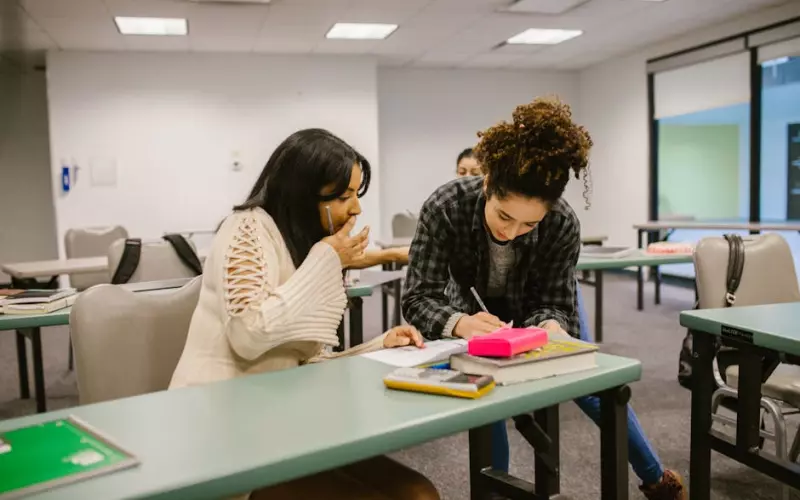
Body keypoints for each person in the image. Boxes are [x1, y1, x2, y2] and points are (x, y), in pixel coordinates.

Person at [401, 98, 686, 500]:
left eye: (529, 223)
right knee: (487, 391)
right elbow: (418, 298)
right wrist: (461, 323)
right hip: (470, 308)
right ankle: (494, 489)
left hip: (535, 305)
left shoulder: (563, 222)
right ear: (486, 185)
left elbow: (553, 301)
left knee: (589, 385)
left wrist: (551, 328)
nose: (512, 232)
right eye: (503, 216)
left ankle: (656, 479)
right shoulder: (446, 207)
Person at [170, 128, 440, 500]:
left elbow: (304, 360)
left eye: (356, 195)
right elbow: (250, 335)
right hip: (225, 438)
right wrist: (329, 256)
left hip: (282, 427)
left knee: (419, 494)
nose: (356, 209)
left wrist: (377, 345)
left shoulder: (301, 243)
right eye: (344, 196)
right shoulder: (247, 229)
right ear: (301, 194)